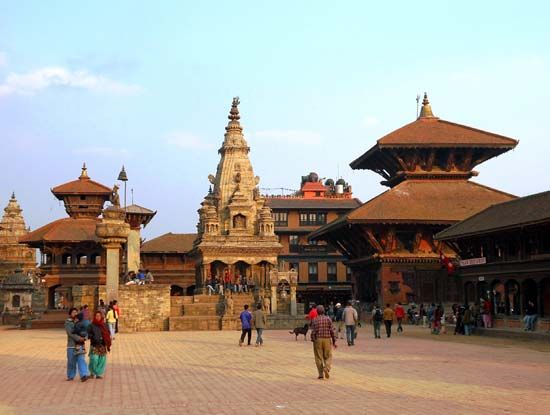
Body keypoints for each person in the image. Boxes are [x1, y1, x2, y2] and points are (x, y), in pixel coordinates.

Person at [310, 305, 337, 380]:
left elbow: (313, 332)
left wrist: (313, 339)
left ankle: (321, 374)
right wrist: (334, 341)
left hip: (318, 339)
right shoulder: (328, 319)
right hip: (327, 339)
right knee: (328, 356)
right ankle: (327, 367)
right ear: (324, 311)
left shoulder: (315, 320)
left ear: (317, 312)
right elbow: (332, 331)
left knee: (318, 357)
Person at [65, 307, 89, 382]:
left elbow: (87, 330)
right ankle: (70, 376)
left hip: (80, 344)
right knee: (71, 361)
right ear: (70, 314)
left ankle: (84, 375)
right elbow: (70, 333)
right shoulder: (68, 323)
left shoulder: (82, 322)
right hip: (71, 345)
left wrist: (85, 337)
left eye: (76, 312)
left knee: (81, 359)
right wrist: (79, 338)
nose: (75, 314)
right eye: (73, 312)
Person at [87, 310, 112, 379]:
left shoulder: (105, 325)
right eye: (96, 316)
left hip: (102, 345)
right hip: (95, 345)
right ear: (94, 317)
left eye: (99, 316)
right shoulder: (91, 325)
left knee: (102, 360)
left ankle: (98, 374)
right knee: (94, 359)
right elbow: (88, 334)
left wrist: (107, 339)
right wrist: (93, 336)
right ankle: (92, 372)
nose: (98, 317)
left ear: (101, 317)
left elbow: (108, 333)